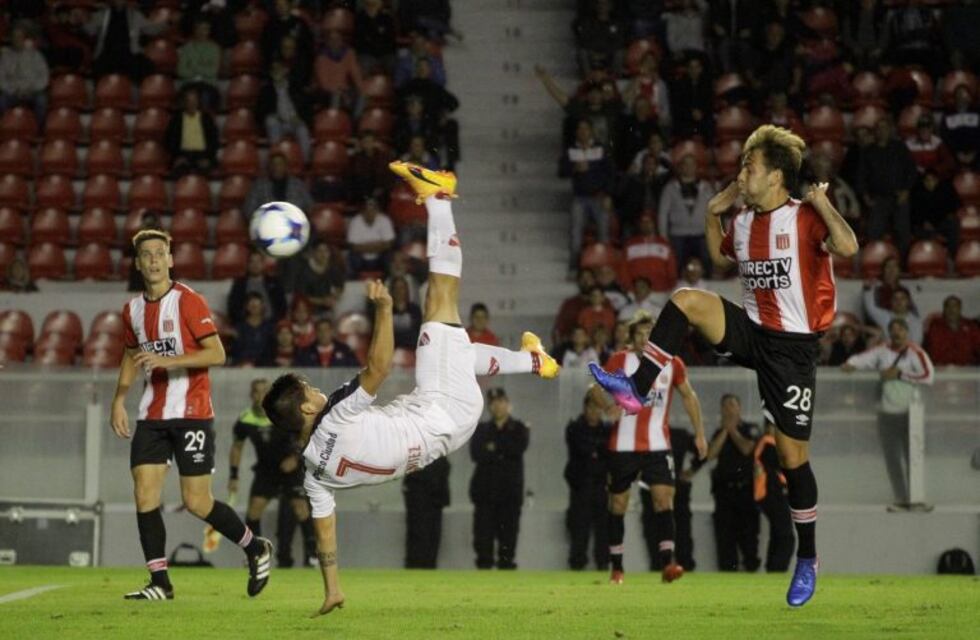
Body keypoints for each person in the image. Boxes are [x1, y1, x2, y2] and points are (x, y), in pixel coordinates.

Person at [260, 162, 560, 616]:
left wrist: (332, 587)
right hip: (441, 411)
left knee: (452, 348)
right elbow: (379, 367)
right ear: (305, 409)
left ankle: (533, 360)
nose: (316, 390)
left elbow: (325, 533)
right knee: (438, 300)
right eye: (309, 390)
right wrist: (382, 310)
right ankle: (439, 198)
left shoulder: (313, 473)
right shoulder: (335, 415)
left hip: (444, 428)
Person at [589, 124, 859, 606]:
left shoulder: (803, 217)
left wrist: (822, 203)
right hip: (752, 331)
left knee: (791, 459)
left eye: (749, 167)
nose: (741, 174)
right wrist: (714, 211)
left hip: (793, 350)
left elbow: (849, 246)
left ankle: (807, 558)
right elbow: (720, 255)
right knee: (685, 300)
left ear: (775, 177)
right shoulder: (745, 221)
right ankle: (636, 388)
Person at [110, 229, 273, 601]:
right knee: (144, 493)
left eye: (160, 253)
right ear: (137, 264)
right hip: (151, 415)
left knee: (197, 500)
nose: (153, 259)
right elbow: (131, 354)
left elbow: (217, 353)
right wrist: (119, 399)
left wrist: (169, 360)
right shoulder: (132, 310)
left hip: (192, 413)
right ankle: (160, 583)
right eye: (146, 254)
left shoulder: (188, 301)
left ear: (170, 260)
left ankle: (254, 547)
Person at [594, 310, 706, 585]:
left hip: (657, 444)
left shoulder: (672, 363)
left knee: (663, 499)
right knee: (618, 504)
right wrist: (607, 406)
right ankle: (617, 568)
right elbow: (594, 387)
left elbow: (689, 396)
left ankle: (667, 564)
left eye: (650, 334)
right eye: (640, 334)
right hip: (623, 446)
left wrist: (700, 434)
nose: (645, 338)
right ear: (632, 338)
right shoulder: (621, 360)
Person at [842, 318, 935, 507]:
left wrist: (900, 374)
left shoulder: (916, 352)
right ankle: (901, 498)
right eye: (893, 330)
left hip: (910, 413)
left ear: (907, 332)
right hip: (886, 413)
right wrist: (851, 364)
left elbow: (928, 376)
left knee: (912, 456)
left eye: (900, 329)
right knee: (892, 459)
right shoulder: (882, 350)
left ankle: (916, 497)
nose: (896, 333)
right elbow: (863, 359)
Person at [228, 379, 316, 568]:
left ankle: (312, 556)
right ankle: (256, 554)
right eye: (257, 392)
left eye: (264, 392)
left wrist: (296, 457)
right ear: (251, 395)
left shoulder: (284, 413)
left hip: (290, 469)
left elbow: (306, 434)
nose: (261, 396)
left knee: (301, 508)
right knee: (254, 510)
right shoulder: (245, 419)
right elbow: (237, 447)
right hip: (266, 471)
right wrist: (233, 476)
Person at [469, 388, 529, 570]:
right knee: (483, 542)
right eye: (493, 403)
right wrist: (501, 450)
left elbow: (517, 448)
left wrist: (493, 447)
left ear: (508, 404)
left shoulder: (519, 428)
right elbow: (476, 453)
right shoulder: (481, 429)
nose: (497, 406)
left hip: (510, 495)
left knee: (507, 543)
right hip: (485, 494)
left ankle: (506, 572)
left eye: (501, 401)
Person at [706, 394, 762, 573]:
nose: (729, 409)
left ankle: (750, 569)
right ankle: (727, 571)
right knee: (725, 538)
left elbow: (747, 449)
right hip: (724, 493)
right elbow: (710, 454)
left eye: (732, 405)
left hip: (746, 491)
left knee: (749, 537)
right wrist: (725, 431)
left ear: (739, 408)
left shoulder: (750, 429)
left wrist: (733, 431)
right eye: (725, 406)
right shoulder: (718, 433)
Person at [857, 118, 918, 259]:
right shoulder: (868, 151)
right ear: (875, 132)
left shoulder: (900, 148)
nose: (882, 131)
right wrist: (865, 196)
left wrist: (906, 190)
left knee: (903, 233)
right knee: (873, 232)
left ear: (890, 130)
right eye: (879, 128)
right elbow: (861, 176)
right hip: (878, 199)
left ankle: (902, 264)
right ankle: (873, 261)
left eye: (885, 128)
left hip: (899, 197)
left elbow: (911, 171)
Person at [564, 393, 612, 571]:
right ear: (585, 408)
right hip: (580, 486)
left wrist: (596, 450)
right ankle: (577, 564)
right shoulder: (574, 428)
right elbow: (583, 449)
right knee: (579, 528)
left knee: (603, 529)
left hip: (602, 486)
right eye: (591, 407)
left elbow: (608, 452)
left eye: (598, 407)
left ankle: (603, 563)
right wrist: (599, 450)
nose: (594, 411)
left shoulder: (608, 429)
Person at [658, 154, 715, 275]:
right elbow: (663, 213)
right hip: (678, 235)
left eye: (691, 164)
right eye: (686, 164)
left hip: (701, 235)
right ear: (680, 167)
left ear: (696, 167)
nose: (689, 167)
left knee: (705, 267)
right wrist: (663, 237)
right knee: (677, 268)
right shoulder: (670, 188)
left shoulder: (706, 187)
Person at [753, 422, 795, 572]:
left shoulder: (766, 443)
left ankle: (773, 568)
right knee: (785, 535)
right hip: (771, 492)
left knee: (778, 532)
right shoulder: (769, 443)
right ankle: (777, 568)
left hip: (771, 492)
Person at [85, 0, 163, 79]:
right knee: (98, 70)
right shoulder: (101, 14)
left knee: (147, 67)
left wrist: (166, 24)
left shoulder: (135, 15)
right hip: (106, 53)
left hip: (129, 53)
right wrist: (82, 22)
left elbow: (150, 29)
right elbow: (90, 31)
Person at [257, 61, 314, 163]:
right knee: (271, 121)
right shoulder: (266, 90)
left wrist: (300, 117)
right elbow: (259, 112)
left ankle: (306, 162)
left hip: (294, 122)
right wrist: (272, 114)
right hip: (277, 123)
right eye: (274, 70)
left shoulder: (296, 87)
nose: (276, 72)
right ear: (271, 73)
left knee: (303, 129)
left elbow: (307, 107)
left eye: (279, 69)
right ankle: (276, 160)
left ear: (285, 71)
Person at [402, 456, 450, 568]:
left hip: (431, 496)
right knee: (422, 534)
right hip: (423, 495)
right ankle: (420, 564)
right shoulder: (427, 455)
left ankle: (422, 564)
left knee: (428, 535)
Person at [0, 22, 49, 126]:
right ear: (11, 39)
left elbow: (44, 76)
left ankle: (39, 129)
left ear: (24, 38)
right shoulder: (5, 56)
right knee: (2, 101)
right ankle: (5, 128)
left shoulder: (36, 55)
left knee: (42, 101)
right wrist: (14, 90)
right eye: (15, 37)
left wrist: (32, 88)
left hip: (32, 91)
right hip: (13, 92)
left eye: (20, 37)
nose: (17, 40)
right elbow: (1, 79)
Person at [164, 88, 219, 177]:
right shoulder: (176, 119)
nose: (192, 104)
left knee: (206, 170)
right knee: (179, 171)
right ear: (184, 103)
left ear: (198, 102)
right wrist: (177, 157)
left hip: (203, 154)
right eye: (189, 101)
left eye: (194, 101)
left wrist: (208, 157)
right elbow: (169, 140)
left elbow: (214, 140)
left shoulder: (206, 118)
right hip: (182, 154)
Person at [242, 153, 314, 219]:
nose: (276, 167)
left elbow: (310, 207)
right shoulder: (258, 186)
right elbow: (248, 211)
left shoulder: (298, 185)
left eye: (280, 164)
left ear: (286, 166)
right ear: (269, 167)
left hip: (294, 224)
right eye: (273, 164)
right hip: (267, 224)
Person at [227, 250, 287, 326]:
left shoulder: (274, 283)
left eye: (258, 261)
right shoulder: (239, 284)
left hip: (272, 325)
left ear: (263, 264)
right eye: (252, 261)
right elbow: (233, 308)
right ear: (247, 264)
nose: (255, 265)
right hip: (246, 326)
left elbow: (282, 306)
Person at [176, 18, 221, 111]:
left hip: (208, 84)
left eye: (205, 29)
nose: (201, 32)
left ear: (209, 31)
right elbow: (181, 71)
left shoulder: (214, 48)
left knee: (205, 96)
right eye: (199, 28)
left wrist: (193, 66)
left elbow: (213, 71)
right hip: (189, 83)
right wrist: (203, 67)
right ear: (194, 30)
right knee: (189, 95)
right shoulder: (186, 48)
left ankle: (205, 117)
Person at [346, 196, 396, 277]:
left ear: (377, 210)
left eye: (373, 210)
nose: (370, 213)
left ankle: (387, 280)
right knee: (352, 256)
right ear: (363, 211)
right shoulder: (355, 221)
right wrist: (377, 245)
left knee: (389, 256)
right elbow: (354, 247)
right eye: (367, 210)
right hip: (361, 258)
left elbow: (388, 244)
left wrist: (365, 246)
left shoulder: (384, 220)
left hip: (379, 257)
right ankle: (353, 280)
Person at [924, 295, 980, 366]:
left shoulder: (971, 326)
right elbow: (931, 351)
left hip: (968, 368)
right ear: (944, 309)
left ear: (960, 308)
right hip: (940, 368)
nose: (951, 309)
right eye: (948, 306)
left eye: (955, 306)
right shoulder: (935, 327)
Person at [230, 293, 276, 367]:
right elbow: (236, 351)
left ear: (262, 306)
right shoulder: (239, 328)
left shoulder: (269, 327)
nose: (254, 308)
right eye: (252, 306)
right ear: (247, 307)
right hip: (242, 366)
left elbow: (271, 351)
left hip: (265, 366)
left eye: (256, 306)